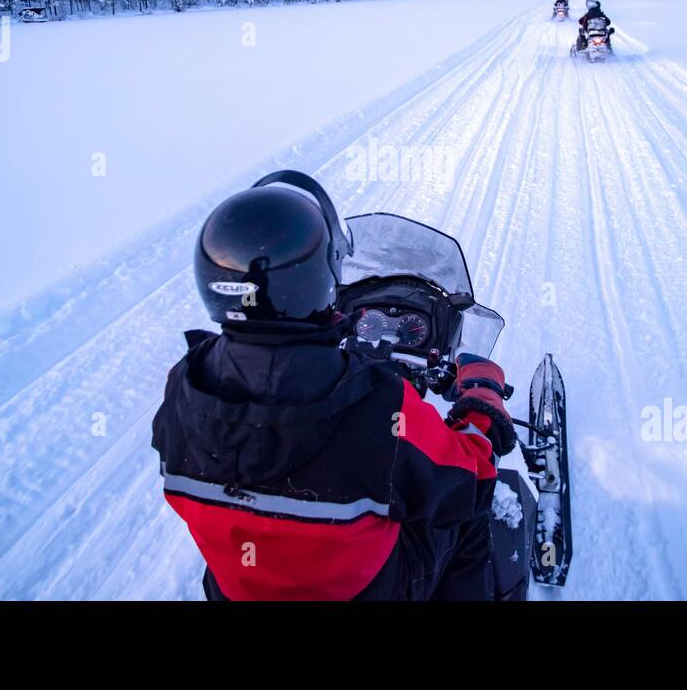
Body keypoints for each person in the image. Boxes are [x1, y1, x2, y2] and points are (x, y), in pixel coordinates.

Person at [151, 170, 516, 600]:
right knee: (465, 512)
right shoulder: (380, 405)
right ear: (321, 276)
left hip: (239, 588)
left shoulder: (183, 386)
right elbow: (469, 476)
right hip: (369, 590)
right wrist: (481, 401)